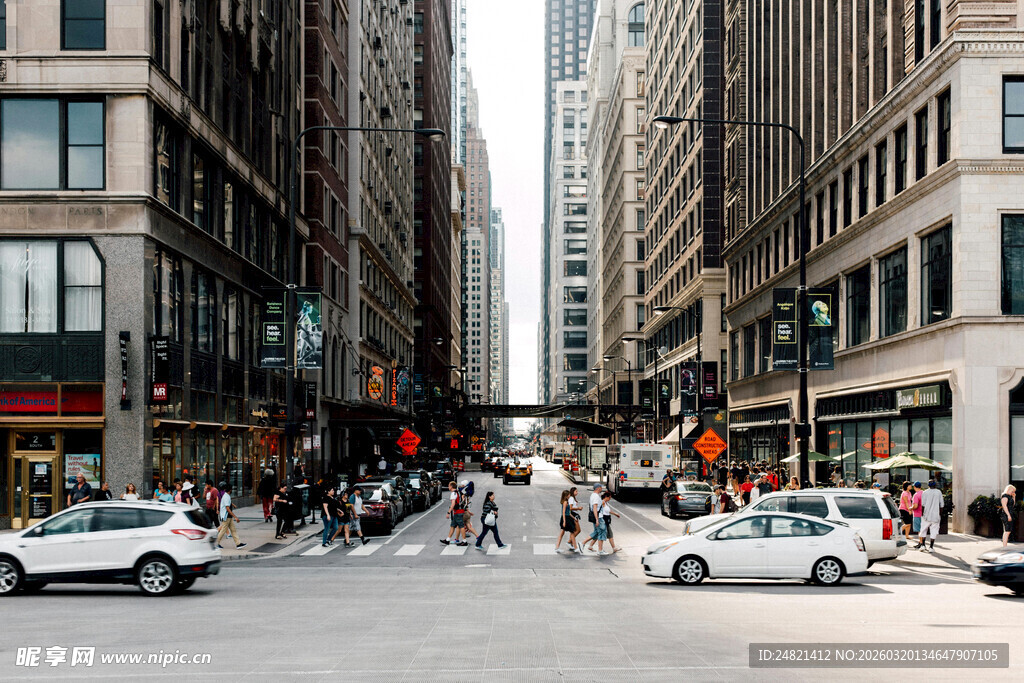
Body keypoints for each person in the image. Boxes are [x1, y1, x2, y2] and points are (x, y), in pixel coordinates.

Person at [914, 480, 945, 553]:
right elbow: (942, 505)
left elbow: (923, 505)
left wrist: (922, 514)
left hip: (926, 515)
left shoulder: (925, 492)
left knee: (923, 529)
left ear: (928, 485)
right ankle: (931, 547)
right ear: (935, 485)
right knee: (934, 531)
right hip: (935, 515)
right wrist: (940, 514)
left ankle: (923, 545)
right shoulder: (938, 492)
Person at [215, 484, 246, 549]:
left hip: (228, 517)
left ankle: (238, 544)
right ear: (230, 490)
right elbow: (227, 508)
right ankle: (216, 543)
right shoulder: (226, 497)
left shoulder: (226, 496)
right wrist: (235, 517)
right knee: (223, 530)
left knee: (233, 530)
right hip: (226, 516)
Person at [440, 482, 468, 546]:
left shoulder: (453, 493)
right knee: (453, 525)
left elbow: (453, 504)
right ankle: (447, 539)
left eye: (449, 486)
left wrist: (448, 512)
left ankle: (464, 541)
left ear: (451, 486)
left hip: (458, 512)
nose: (448, 487)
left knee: (461, 526)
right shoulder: (458, 492)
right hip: (459, 511)